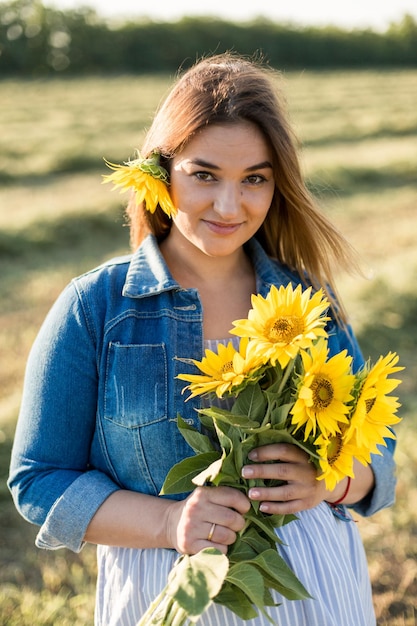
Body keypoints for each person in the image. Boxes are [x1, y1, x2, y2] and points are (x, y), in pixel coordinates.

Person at [8, 52, 397, 626]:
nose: (228, 206)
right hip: (165, 589)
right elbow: (38, 480)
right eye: (204, 174)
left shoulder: (308, 301)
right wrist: (168, 523)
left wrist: (333, 480)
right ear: (161, 173)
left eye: (254, 180)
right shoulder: (96, 308)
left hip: (313, 583)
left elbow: (378, 455)